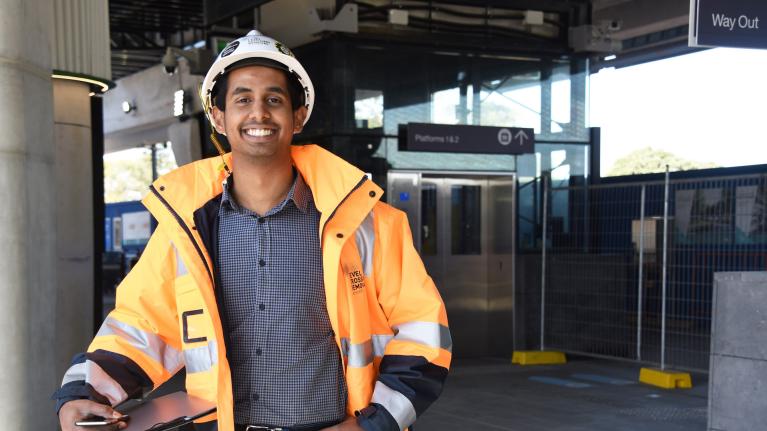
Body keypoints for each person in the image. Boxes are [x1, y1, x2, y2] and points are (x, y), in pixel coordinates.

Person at [54, 30, 451, 431]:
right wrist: (82, 394)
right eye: (242, 99)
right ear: (219, 117)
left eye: (274, 100)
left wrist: (373, 425)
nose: (258, 113)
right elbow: (142, 325)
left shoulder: (370, 223)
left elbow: (423, 331)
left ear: (298, 116)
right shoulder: (188, 230)